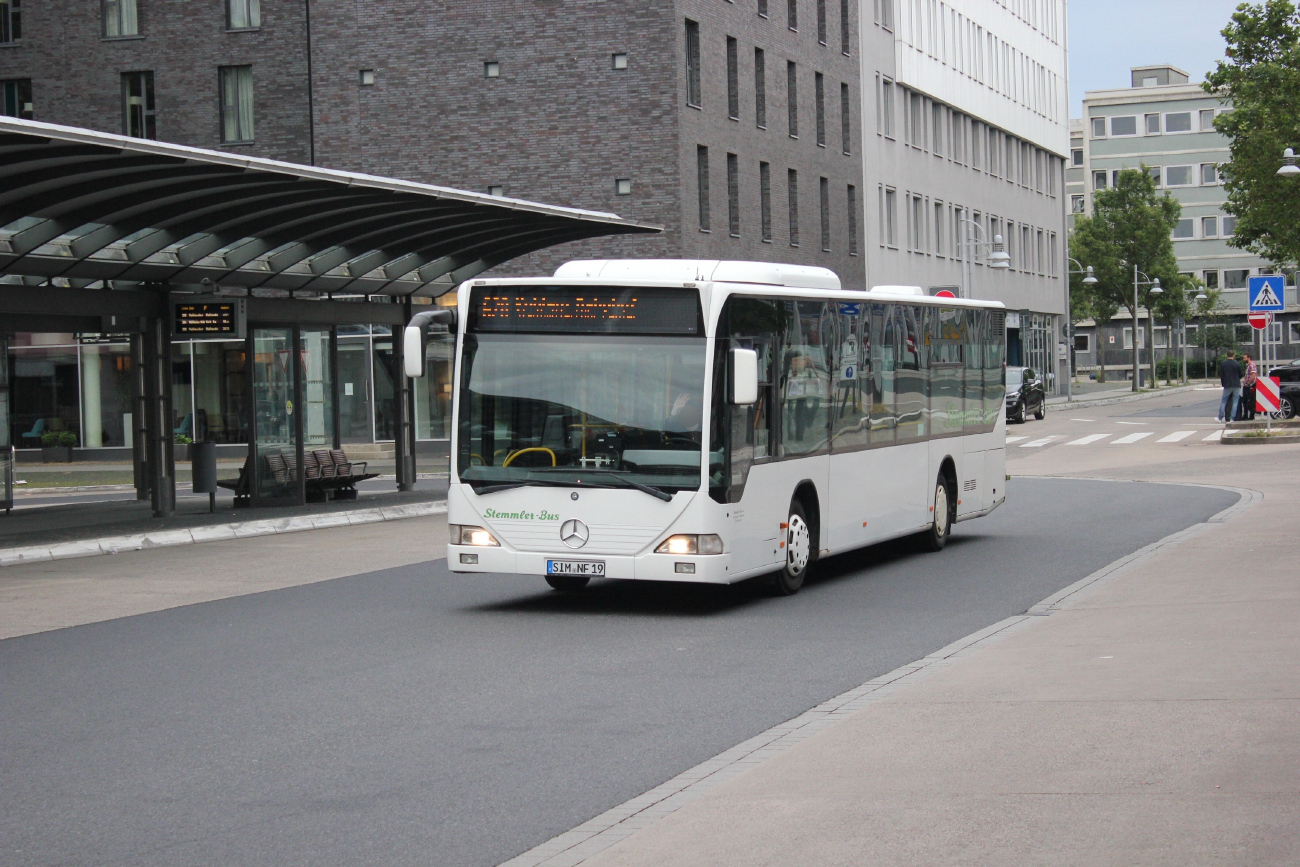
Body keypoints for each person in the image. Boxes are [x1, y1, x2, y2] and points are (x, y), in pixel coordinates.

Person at [1218, 350, 1242, 423]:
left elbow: (1222, 375)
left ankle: (1220, 417)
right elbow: (1240, 374)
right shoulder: (1237, 364)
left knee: (1224, 401)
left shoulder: (1223, 364)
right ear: (1233, 355)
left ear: (1227, 355)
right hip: (1236, 384)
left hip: (1227, 384)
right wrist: (1237, 379)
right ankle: (1232, 418)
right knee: (1235, 402)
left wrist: (1223, 383)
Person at [1239, 352, 1258, 421]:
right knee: (1245, 401)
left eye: (1245, 358)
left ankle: (1251, 415)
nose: (1244, 359)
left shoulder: (1252, 365)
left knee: (1250, 401)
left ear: (1249, 358)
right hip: (1246, 385)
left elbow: (1253, 375)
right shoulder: (1248, 365)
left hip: (1250, 385)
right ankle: (1245, 415)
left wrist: (1249, 383)